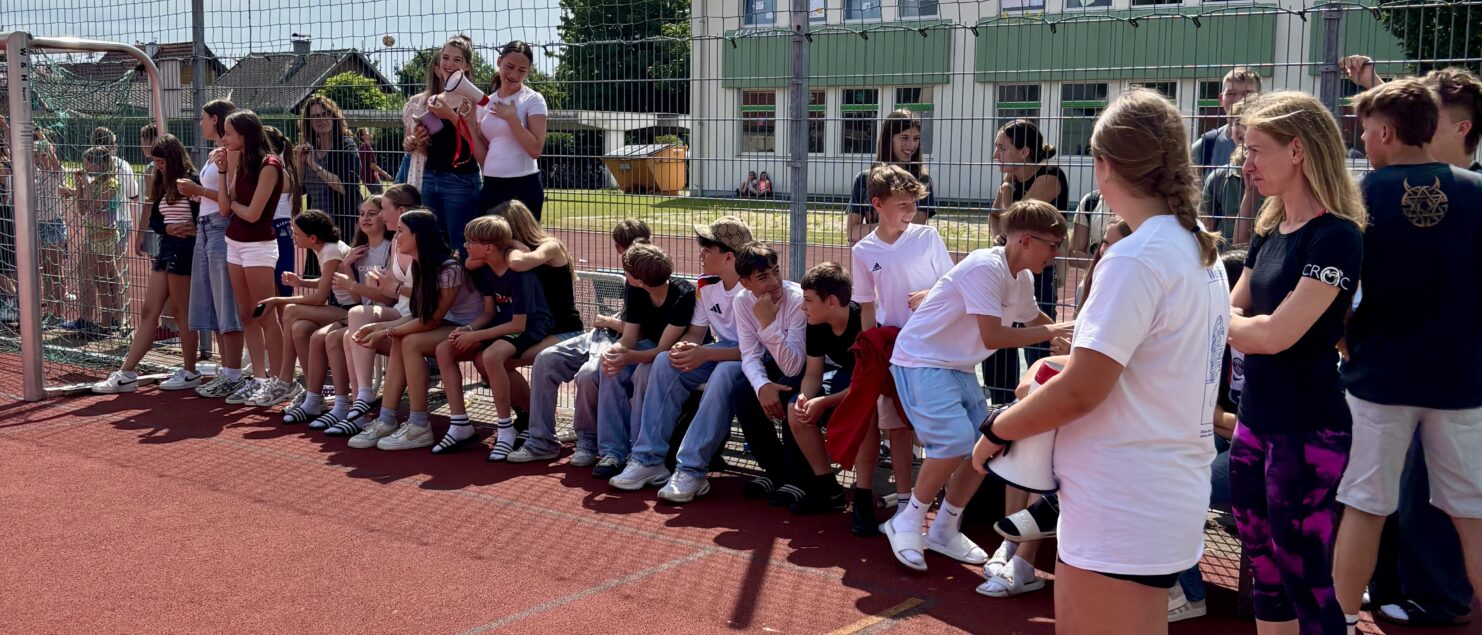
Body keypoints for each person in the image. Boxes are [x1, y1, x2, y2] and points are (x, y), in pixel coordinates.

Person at [970, 89, 1228, 634]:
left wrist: (997, 429)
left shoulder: (1137, 256)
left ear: (1105, 165)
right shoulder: (1195, 248)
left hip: (1123, 497)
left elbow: (1083, 391)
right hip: (1162, 487)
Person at [1333, 79, 1482, 635]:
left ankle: (1341, 622)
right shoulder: (1476, 191)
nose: (1362, 140)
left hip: (1381, 378)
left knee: (1364, 506)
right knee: (1472, 514)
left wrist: (1344, 341)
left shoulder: (1359, 196)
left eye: (1366, 130)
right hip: (1462, 380)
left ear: (1387, 133)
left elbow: (1340, 292)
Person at [1224, 91, 1366, 635]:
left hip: (1308, 429)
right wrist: (1238, 324)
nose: (1247, 163)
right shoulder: (1269, 227)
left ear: (1298, 150)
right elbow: (1239, 310)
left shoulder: (1337, 236)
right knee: (1263, 567)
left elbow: (1274, 335)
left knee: (1305, 577)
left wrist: (1231, 324)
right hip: (1254, 422)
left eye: (1256, 149)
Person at [881, 199, 1071, 579]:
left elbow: (1032, 318)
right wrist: (1054, 330)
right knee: (953, 441)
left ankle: (944, 528)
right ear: (1026, 241)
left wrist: (1072, 337)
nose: (1055, 254)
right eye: (1052, 245)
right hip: (922, 360)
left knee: (987, 445)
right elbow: (994, 336)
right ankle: (906, 521)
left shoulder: (1021, 277)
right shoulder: (986, 266)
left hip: (958, 365)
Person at [845, 163, 953, 535]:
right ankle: (905, 504)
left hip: (933, 347)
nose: (911, 211)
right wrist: (869, 349)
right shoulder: (863, 250)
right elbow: (866, 305)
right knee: (897, 428)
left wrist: (930, 293)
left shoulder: (928, 238)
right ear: (877, 204)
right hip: (892, 349)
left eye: (913, 204)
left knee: (936, 427)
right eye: (903, 205)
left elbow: (952, 283)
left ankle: (946, 507)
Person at [657, 241, 807, 504]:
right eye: (763, 277)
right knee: (743, 393)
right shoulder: (743, 301)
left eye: (776, 271)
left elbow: (793, 366)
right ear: (745, 283)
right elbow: (749, 354)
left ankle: (800, 478)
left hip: (805, 368)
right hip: (773, 363)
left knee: (789, 390)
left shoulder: (795, 299)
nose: (774, 282)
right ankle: (776, 471)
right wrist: (762, 386)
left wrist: (767, 324)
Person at [610, 216, 753, 486]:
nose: (700, 255)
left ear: (729, 257)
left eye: (707, 250)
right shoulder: (706, 285)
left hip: (751, 359)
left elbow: (754, 351)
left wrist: (705, 354)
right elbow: (696, 333)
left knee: (723, 373)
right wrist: (683, 347)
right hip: (720, 351)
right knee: (664, 361)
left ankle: (691, 470)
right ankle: (648, 460)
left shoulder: (753, 289)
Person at [345, 209, 493, 451]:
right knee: (401, 338)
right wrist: (381, 326)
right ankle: (387, 418)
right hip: (448, 325)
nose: (396, 237)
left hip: (472, 328)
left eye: (401, 231)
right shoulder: (419, 264)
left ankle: (419, 425)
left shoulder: (449, 269)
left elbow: (431, 320)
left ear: (418, 236)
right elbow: (420, 315)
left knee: (409, 341)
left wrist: (385, 331)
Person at [520, 219, 650, 467]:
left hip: (622, 340)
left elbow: (643, 331)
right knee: (546, 359)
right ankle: (541, 441)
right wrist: (612, 322)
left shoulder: (650, 273)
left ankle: (588, 442)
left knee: (589, 373)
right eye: (629, 247)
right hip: (601, 335)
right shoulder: (630, 275)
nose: (632, 253)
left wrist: (608, 321)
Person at [432, 214, 552, 459]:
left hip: (531, 326)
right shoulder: (486, 270)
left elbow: (518, 324)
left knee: (491, 356)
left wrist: (477, 335)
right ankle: (459, 424)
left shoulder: (519, 274)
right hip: (504, 323)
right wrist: (469, 330)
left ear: (488, 248)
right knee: (445, 349)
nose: (465, 245)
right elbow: (488, 313)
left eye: (470, 242)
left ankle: (505, 429)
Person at [90, 134, 202, 393]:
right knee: (149, 310)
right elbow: (155, 218)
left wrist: (194, 230)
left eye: (162, 161)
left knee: (181, 310)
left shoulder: (192, 181)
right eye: (156, 161)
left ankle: (190, 370)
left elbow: (206, 215)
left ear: (174, 158)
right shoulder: (161, 180)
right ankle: (127, 371)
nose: (158, 166)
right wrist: (167, 228)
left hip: (185, 251)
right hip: (167, 249)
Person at [282, 197, 394, 425]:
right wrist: (348, 267)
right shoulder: (358, 250)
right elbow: (356, 296)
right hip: (359, 311)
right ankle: (316, 399)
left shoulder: (390, 249)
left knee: (327, 335)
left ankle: (344, 405)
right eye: (361, 214)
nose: (365, 218)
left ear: (384, 216)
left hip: (380, 314)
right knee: (310, 333)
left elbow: (385, 298)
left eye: (372, 214)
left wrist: (276, 299)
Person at [319, 185, 422, 434]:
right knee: (349, 328)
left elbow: (415, 293)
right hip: (395, 310)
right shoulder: (395, 242)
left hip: (412, 315)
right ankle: (358, 403)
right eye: (363, 213)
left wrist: (377, 286)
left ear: (400, 211)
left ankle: (361, 403)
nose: (380, 216)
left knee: (349, 328)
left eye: (380, 211)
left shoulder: (411, 243)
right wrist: (356, 276)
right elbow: (373, 294)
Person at [489, 199, 584, 454]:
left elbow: (519, 263)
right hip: (538, 330)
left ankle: (537, 422)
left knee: (502, 360)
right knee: (490, 360)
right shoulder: (516, 252)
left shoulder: (550, 246)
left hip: (565, 331)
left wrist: (511, 245)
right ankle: (530, 417)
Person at [593, 242, 696, 475]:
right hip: (649, 347)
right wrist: (615, 351)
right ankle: (612, 452)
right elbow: (629, 338)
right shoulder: (635, 290)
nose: (625, 275)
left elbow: (662, 350)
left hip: (672, 354)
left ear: (639, 280)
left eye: (627, 272)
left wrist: (629, 357)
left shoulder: (683, 295)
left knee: (643, 372)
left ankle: (639, 453)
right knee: (610, 368)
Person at [984, 118, 1067, 402]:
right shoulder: (1010, 181)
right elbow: (995, 223)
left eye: (1002, 148)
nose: (995, 155)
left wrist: (1006, 192)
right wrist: (1002, 233)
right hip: (1011, 269)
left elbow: (1013, 222)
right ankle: (1002, 400)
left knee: (1039, 343)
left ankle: (1043, 399)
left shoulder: (1050, 177)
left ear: (1024, 152)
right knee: (1001, 339)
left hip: (1039, 270)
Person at [216, 110, 291, 407]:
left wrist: (234, 203)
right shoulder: (241, 162)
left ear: (244, 135)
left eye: (228, 133)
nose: (224, 139)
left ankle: (282, 381)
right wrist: (223, 172)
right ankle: (259, 379)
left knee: (265, 314)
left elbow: (252, 214)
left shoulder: (270, 165)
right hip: (234, 242)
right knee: (247, 314)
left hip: (258, 245)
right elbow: (225, 208)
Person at [179, 99, 249, 399]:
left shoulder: (231, 152)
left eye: (203, 118)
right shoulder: (216, 153)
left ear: (215, 119)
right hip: (206, 227)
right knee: (212, 301)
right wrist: (198, 196)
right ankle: (227, 370)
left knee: (225, 301)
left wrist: (197, 190)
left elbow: (228, 200)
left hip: (221, 228)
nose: (200, 123)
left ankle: (234, 373)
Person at [255, 210, 352, 407]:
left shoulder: (331, 251)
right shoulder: (325, 248)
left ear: (312, 238)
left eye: (296, 233)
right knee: (299, 328)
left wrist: (277, 300)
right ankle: (313, 391)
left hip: (353, 311)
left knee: (290, 310)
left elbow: (319, 299)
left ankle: (285, 379)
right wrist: (301, 282)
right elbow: (327, 282)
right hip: (341, 308)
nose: (293, 237)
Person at [785, 262, 859, 514]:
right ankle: (829, 489)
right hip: (845, 379)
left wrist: (824, 402)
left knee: (858, 410)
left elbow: (865, 384)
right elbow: (813, 373)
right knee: (796, 409)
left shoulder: (863, 321)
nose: (802, 306)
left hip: (875, 386)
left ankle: (863, 496)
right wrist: (805, 397)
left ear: (831, 302)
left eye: (808, 300)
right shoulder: (815, 322)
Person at [409, 34, 483, 251]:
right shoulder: (434, 99)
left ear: (467, 66)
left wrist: (450, 115)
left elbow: (476, 143)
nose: (449, 64)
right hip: (431, 176)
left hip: (460, 180)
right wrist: (419, 140)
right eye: (445, 57)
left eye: (457, 60)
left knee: (461, 246)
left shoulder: (474, 99)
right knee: (432, 243)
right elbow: (431, 148)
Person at [470, 40, 548, 221]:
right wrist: (467, 124)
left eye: (522, 70)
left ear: (529, 71)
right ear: (499, 61)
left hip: (523, 184)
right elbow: (483, 156)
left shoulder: (533, 99)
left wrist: (512, 119)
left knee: (522, 240)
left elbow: (535, 150)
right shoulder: (486, 102)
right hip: (491, 184)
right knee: (486, 238)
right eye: (509, 67)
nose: (514, 75)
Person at [56, 146, 124, 340]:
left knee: (102, 280)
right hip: (93, 236)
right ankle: (109, 320)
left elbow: (96, 205)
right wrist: (79, 186)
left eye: (88, 163)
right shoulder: (93, 183)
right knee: (99, 278)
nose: (85, 167)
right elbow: (83, 209)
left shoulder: (112, 183)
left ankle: (107, 323)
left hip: (105, 236)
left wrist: (85, 183)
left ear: (100, 164)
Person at [845, 109, 937, 244]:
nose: (911, 145)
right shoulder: (864, 179)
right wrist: (891, 227)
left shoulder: (922, 181)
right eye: (904, 138)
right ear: (889, 139)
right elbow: (852, 232)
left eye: (916, 139)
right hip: (874, 254)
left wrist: (877, 229)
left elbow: (912, 231)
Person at [296, 95, 362, 241]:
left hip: (341, 226)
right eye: (315, 116)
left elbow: (346, 187)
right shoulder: (310, 149)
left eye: (325, 114)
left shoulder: (346, 146)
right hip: (315, 227)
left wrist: (315, 166)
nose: (321, 119)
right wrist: (300, 162)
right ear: (309, 122)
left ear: (334, 116)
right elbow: (300, 189)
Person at [1200, 96, 1262, 245]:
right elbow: (1206, 231)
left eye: (1249, 122)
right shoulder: (1218, 178)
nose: (1242, 128)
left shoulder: (1278, 177)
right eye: (1238, 122)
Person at [1192, 66, 1263, 173]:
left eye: (1248, 94)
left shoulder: (1274, 143)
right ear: (1221, 99)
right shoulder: (1206, 146)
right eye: (1231, 93)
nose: (1240, 100)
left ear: (1260, 99)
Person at [264, 126, 301, 298]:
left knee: (277, 287)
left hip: (274, 228)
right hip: (282, 228)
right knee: (279, 285)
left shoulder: (273, 170)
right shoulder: (284, 168)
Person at [358, 128, 392, 194]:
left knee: (378, 196)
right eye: (367, 132)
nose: (369, 132)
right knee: (379, 196)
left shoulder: (365, 147)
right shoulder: (366, 148)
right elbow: (372, 165)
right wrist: (385, 174)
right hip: (371, 179)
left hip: (371, 178)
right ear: (362, 136)